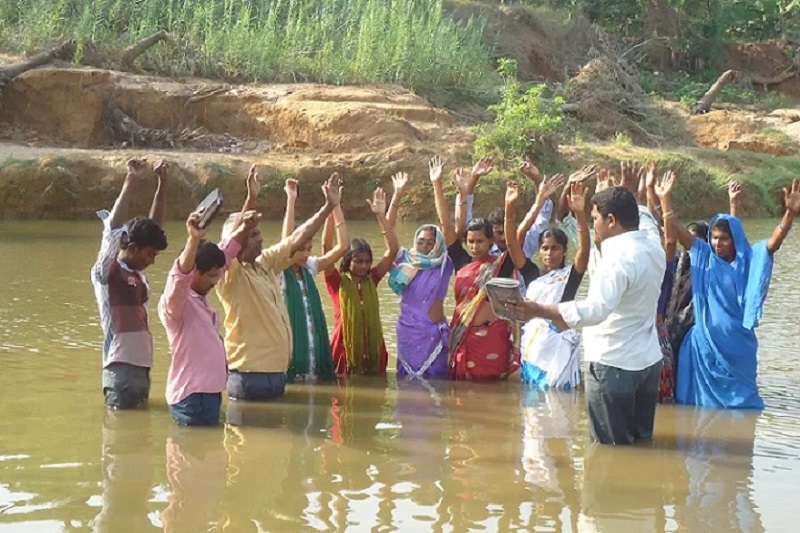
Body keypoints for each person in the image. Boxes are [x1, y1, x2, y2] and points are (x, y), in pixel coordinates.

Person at [507, 186, 666, 445]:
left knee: (611, 450)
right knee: (641, 442)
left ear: (611, 221)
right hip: (648, 361)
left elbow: (595, 310)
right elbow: (645, 214)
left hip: (614, 363)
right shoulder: (651, 242)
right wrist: (615, 193)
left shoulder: (616, 260)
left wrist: (539, 309)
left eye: (595, 219)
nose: (594, 226)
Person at [657, 174, 800, 409]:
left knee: (742, 407)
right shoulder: (704, 256)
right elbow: (678, 231)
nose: (717, 243)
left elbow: (773, 243)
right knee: (693, 411)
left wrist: (789, 214)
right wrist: (665, 200)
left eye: (723, 239)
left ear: (735, 240)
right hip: (703, 347)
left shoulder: (748, 260)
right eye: (713, 237)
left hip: (737, 346)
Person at [216, 166, 342, 401]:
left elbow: (296, 238)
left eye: (258, 233)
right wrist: (251, 199)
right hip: (248, 377)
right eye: (253, 235)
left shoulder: (264, 264)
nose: (261, 238)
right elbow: (231, 242)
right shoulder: (229, 273)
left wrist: (328, 207)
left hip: (276, 375)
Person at [158, 209, 258, 426]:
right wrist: (193, 239)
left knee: (211, 456)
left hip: (209, 395)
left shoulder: (201, 298)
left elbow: (228, 253)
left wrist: (245, 228)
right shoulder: (177, 304)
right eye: (212, 276)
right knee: (190, 455)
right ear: (195, 272)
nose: (216, 281)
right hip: (191, 399)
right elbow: (179, 277)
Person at [433, 158, 522, 380]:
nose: (474, 246)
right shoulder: (463, 262)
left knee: (492, 392)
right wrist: (436, 184)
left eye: (480, 241)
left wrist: (510, 207)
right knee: (460, 392)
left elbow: (512, 240)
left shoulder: (500, 265)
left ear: (490, 241)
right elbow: (446, 225)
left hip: (492, 338)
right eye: (471, 241)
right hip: (462, 337)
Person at [91, 157, 168, 409]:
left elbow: (154, 227)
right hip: (120, 370)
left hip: (141, 369)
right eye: (150, 255)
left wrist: (162, 183)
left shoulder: (137, 272)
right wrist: (131, 179)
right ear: (132, 248)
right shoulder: (108, 273)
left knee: (135, 438)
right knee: (118, 441)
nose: (152, 262)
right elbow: (112, 231)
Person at [516, 181, 590, 390]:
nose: (549, 253)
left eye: (555, 248)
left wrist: (580, 215)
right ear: (539, 251)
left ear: (564, 250)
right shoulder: (531, 274)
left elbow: (584, 251)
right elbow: (515, 242)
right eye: (545, 248)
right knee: (531, 416)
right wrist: (538, 202)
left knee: (559, 409)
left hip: (558, 350)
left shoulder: (569, 276)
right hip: (533, 352)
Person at [387, 163, 455, 379]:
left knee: (436, 387)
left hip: (432, 332)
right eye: (421, 241)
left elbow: (446, 224)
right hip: (408, 331)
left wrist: (437, 184)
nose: (425, 246)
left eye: (430, 243)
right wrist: (397, 195)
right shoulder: (405, 259)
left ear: (438, 244)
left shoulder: (444, 263)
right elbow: (388, 230)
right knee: (406, 389)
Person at [324, 186, 399, 376]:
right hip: (344, 349)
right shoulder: (336, 282)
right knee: (341, 400)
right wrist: (333, 207)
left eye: (367, 261)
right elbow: (327, 248)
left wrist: (381, 216)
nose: (364, 266)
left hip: (373, 349)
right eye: (358, 261)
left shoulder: (372, 279)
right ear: (348, 261)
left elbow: (393, 250)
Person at [281, 177, 349, 383]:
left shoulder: (310, 268)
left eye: (309, 249)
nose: (305, 253)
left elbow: (343, 246)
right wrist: (291, 200)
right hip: (291, 353)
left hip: (314, 354)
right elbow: (287, 241)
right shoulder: (280, 271)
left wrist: (335, 207)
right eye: (301, 249)